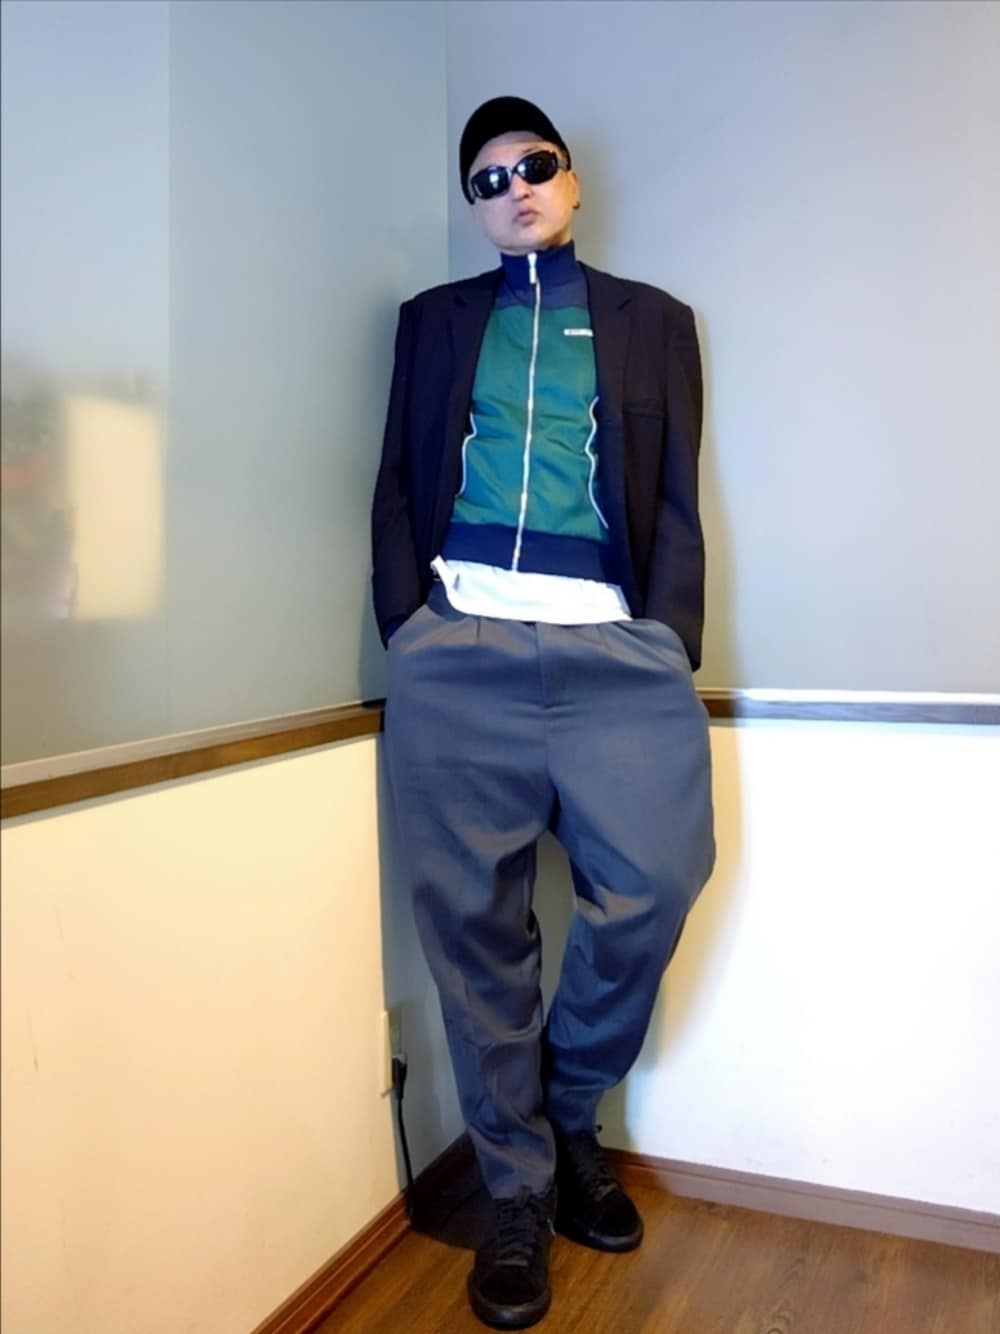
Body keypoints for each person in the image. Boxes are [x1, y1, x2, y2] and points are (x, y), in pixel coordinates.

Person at [371, 95, 716, 1330]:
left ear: (570, 182)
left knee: (655, 881)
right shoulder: (433, 322)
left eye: (534, 166)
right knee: (473, 926)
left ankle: (567, 1114)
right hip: (456, 647)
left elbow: (674, 493)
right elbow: (397, 479)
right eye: (488, 177)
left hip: (613, 647)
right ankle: (517, 1189)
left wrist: (667, 637)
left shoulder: (650, 321)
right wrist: (408, 626)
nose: (513, 187)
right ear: (473, 205)